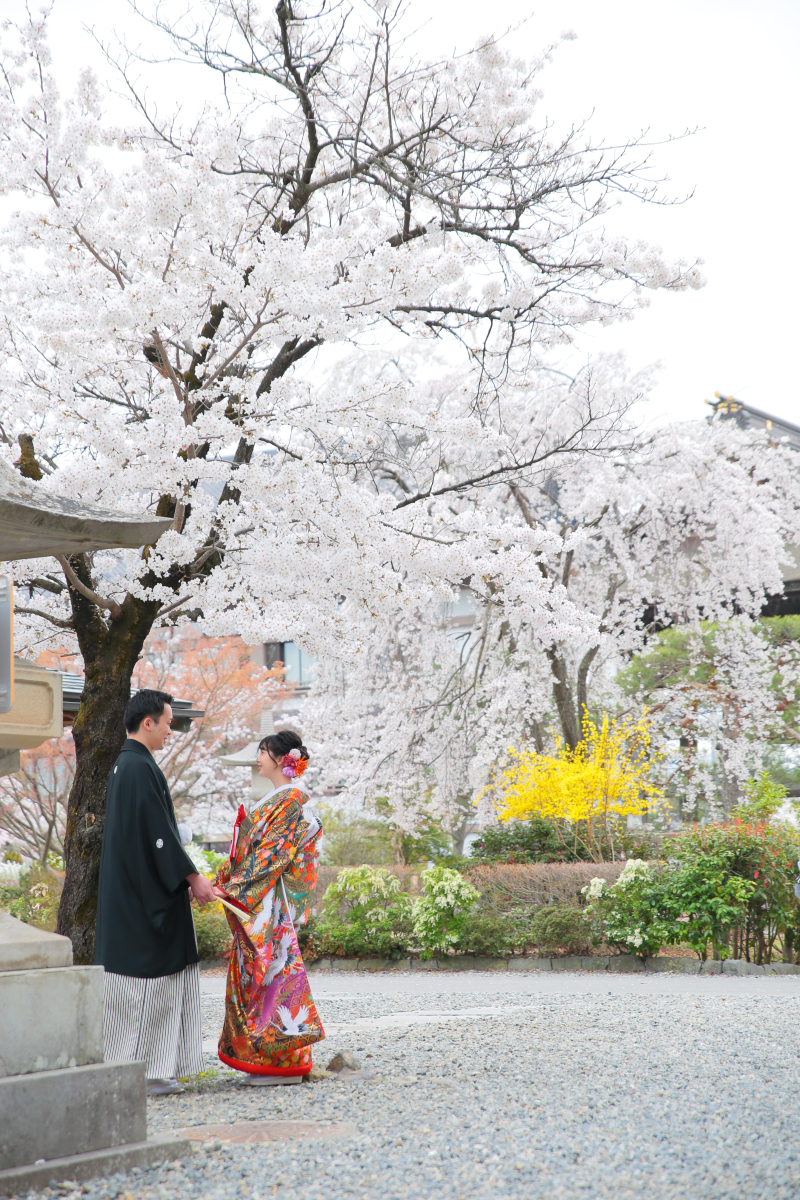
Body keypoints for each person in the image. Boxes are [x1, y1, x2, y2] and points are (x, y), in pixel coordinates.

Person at [94, 688, 217, 1096]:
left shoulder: (127, 765)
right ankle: (146, 1071)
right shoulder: (136, 768)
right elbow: (157, 835)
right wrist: (191, 876)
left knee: (134, 990)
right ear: (147, 723)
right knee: (147, 984)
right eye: (167, 723)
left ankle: (148, 1068)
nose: (170, 731)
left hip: (128, 892)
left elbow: (150, 833)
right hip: (141, 899)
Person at [215, 729, 325, 1081]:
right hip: (262, 903)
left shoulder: (291, 801)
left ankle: (283, 1063)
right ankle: (265, 1060)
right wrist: (219, 882)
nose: (258, 758)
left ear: (280, 759)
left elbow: (271, 856)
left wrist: (232, 888)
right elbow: (251, 852)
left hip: (270, 906)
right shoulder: (279, 800)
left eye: (263, 752)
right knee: (262, 979)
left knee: (272, 977)